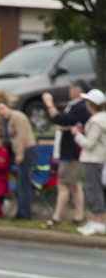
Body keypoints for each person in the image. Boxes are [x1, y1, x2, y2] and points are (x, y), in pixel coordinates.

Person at [41, 81, 90, 228]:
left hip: (72, 152)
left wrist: (49, 104)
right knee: (73, 184)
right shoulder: (76, 105)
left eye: (72, 87)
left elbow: (60, 120)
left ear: (79, 90)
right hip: (70, 151)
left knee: (63, 184)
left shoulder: (81, 107)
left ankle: (56, 217)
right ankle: (79, 216)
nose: (69, 90)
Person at [0, 90, 37, 220]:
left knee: (25, 183)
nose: (1, 112)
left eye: (2, 109)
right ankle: (21, 211)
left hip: (26, 151)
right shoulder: (9, 119)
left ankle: (25, 213)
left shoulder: (17, 117)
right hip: (21, 152)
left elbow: (22, 136)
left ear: (7, 106)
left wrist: (20, 155)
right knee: (21, 183)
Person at [70, 89, 106, 236]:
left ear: (91, 104)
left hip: (94, 160)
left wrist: (77, 135)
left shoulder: (96, 121)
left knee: (93, 191)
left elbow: (90, 144)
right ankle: (95, 221)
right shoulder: (101, 118)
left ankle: (98, 222)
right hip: (98, 159)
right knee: (95, 190)